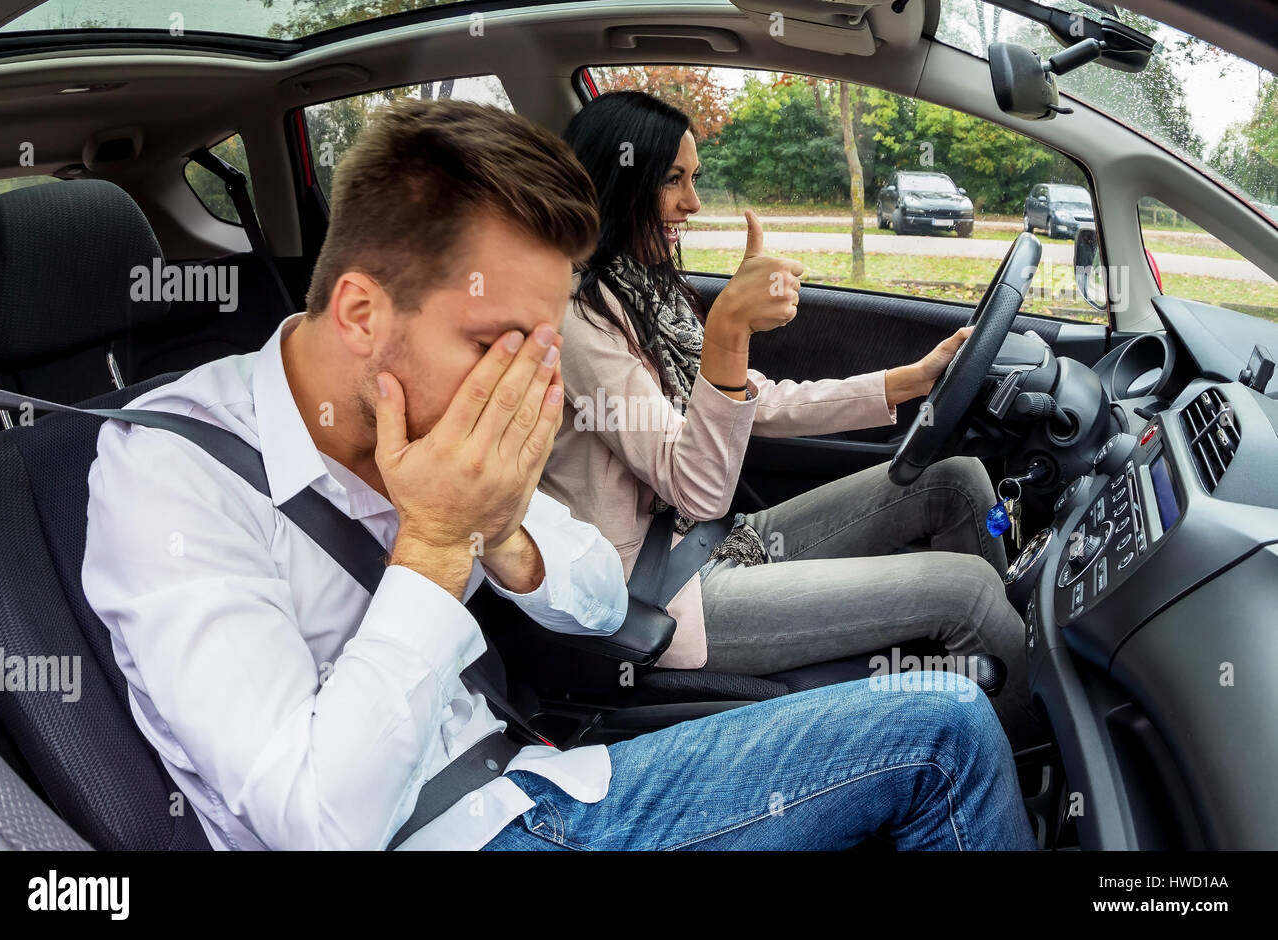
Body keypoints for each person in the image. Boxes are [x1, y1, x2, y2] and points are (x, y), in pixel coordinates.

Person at [82, 98, 1036, 850]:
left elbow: (591, 592)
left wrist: (504, 533)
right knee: (942, 729)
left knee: (938, 697)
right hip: (460, 832)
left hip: (538, 774)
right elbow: (319, 821)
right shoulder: (172, 475)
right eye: (500, 342)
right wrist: (436, 541)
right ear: (363, 314)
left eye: (545, 340)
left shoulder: (446, 396)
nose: (537, 380)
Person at [544, 90, 1043, 748]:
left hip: (714, 543)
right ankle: (1024, 761)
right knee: (970, 593)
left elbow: (759, 402)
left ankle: (1007, 680)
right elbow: (695, 484)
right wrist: (727, 331)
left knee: (955, 482)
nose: (693, 202)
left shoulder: (643, 292)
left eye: (693, 178)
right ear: (619, 180)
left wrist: (911, 380)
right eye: (673, 180)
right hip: (658, 596)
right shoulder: (578, 319)